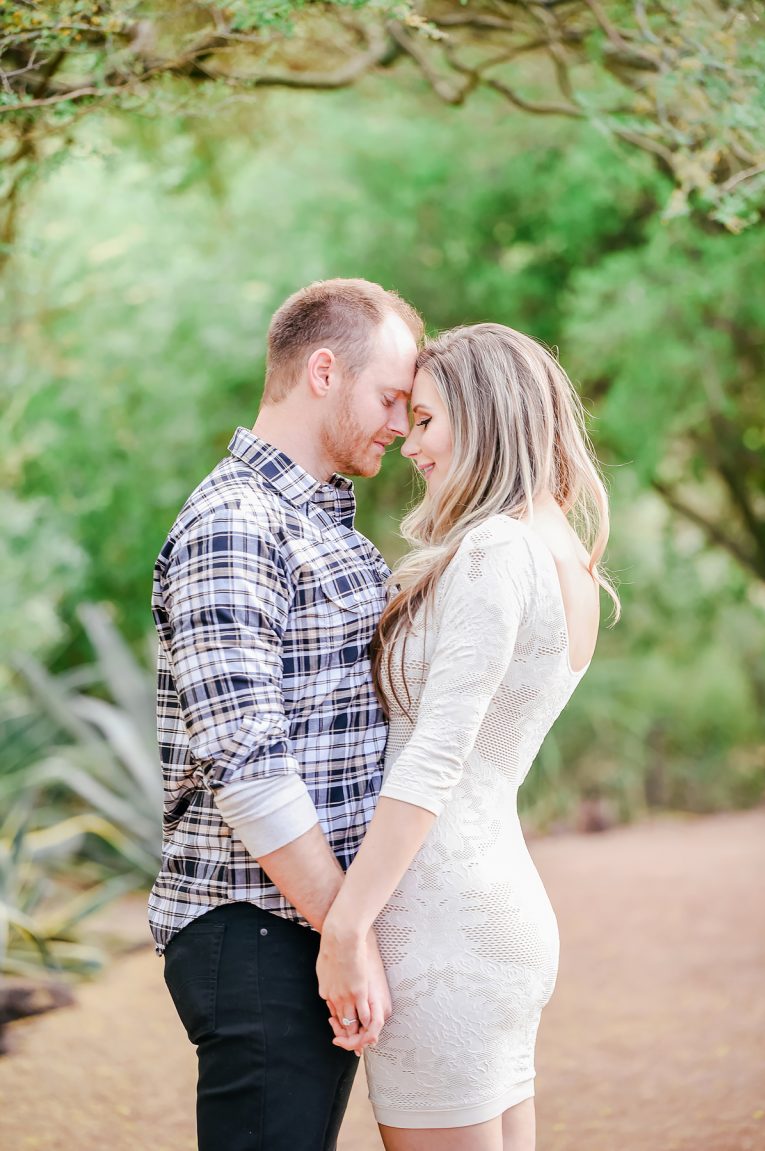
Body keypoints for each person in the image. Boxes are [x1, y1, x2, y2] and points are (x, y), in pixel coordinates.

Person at [317, 323, 620, 1151]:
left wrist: (345, 927)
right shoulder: (567, 559)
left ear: (485, 415)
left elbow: (437, 756)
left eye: (425, 420)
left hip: (440, 926)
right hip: (494, 909)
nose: (410, 444)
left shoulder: (495, 548)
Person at [148, 278, 423, 1151]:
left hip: (302, 923)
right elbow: (248, 766)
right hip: (257, 925)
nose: (399, 423)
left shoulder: (327, 526)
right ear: (323, 370)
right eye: (389, 398)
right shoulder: (234, 521)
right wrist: (343, 931)